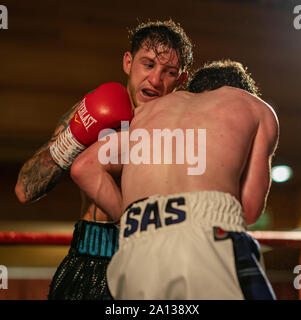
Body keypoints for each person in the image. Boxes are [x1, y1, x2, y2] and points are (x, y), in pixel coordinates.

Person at [14, 19, 193, 300]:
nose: (156, 80)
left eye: (169, 72)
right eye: (148, 65)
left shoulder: (183, 129)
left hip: (155, 264)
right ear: (128, 62)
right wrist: (74, 138)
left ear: (180, 80)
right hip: (90, 260)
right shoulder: (94, 108)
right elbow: (25, 189)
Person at [71, 60, 279, 299]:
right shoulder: (254, 106)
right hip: (209, 239)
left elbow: (84, 167)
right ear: (242, 90)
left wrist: (133, 217)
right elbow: (250, 210)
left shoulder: (145, 113)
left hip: (135, 248)